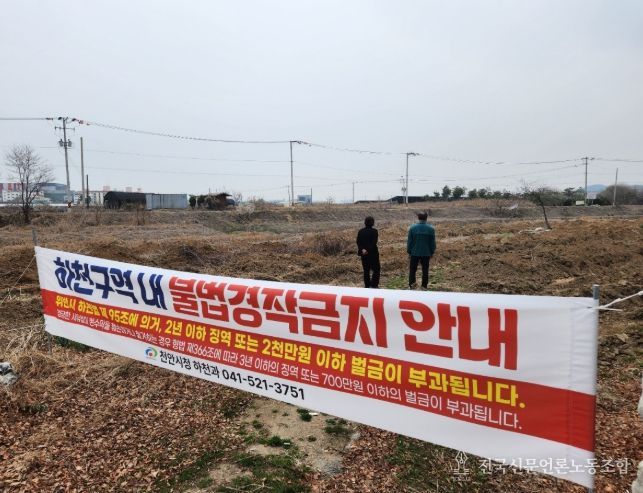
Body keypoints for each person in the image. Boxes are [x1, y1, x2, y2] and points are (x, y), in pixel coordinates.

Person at [407, 211, 436, 290]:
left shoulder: (412, 228)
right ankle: (424, 286)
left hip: (414, 252)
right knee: (425, 270)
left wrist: (409, 251)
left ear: (418, 218)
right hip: (426, 253)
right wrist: (432, 252)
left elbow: (409, 242)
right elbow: (432, 243)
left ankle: (412, 285)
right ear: (426, 218)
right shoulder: (431, 229)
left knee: (412, 270)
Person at [356, 216, 380, 288]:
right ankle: (374, 285)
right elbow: (373, 243)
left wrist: (363, 249)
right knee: (376, 270)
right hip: (373, 254)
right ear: (372, 223)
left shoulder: (361, 231)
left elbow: (358, 242)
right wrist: (368, 250)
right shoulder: (374, 231)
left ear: (365, 223)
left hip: (364, 254)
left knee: (366, 270)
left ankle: (367, 285)